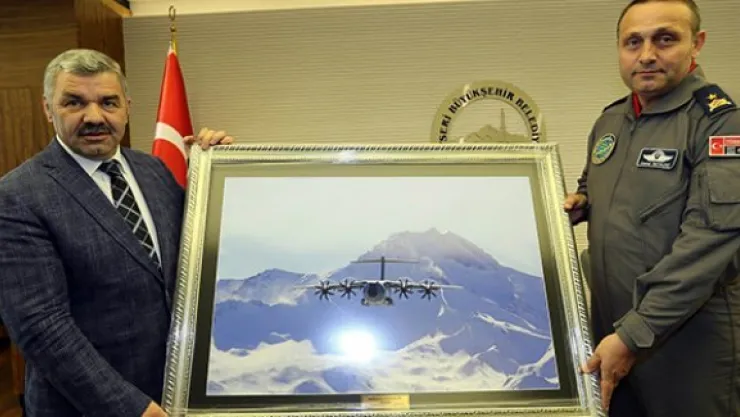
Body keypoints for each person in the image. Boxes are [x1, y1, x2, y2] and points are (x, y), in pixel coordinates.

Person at [0, 49, 233, 417]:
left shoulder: (154, 171)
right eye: (74, 102)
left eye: (108, 102)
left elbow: (195, 262)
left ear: (127, 107)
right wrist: (133, 408)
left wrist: (220, 172)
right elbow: (42, 328)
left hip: (174, 392)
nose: (94, 117)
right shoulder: (17, 196)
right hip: (90, 407)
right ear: (48, 109)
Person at [564, 1, 740, 416]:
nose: (646, 55)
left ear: (696, 43)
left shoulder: (718, 123)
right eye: (633, 42)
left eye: (664, 39)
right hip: (611, 336)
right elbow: (594, 184)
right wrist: (581, 203)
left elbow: (710, 243)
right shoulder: (610, 121)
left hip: (687, 349)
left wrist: (635, 333)